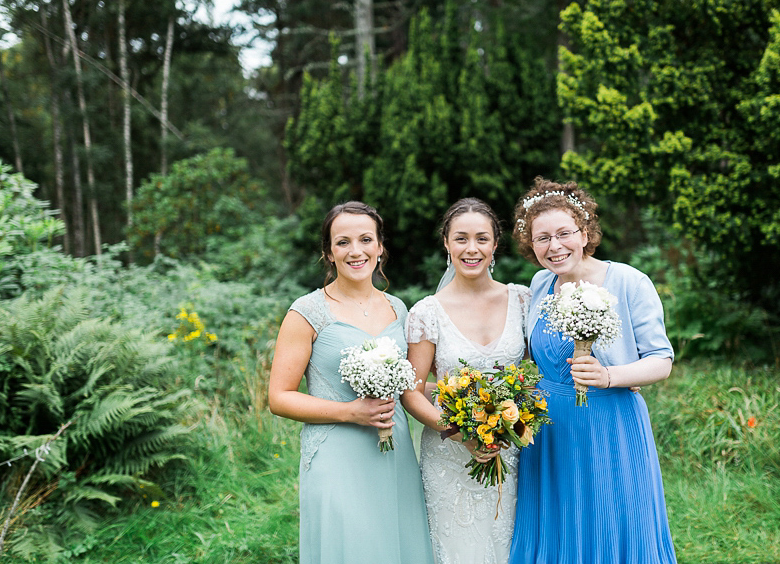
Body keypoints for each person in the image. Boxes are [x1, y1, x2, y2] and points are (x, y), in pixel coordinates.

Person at [508, 178, 677, 564]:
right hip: (548, 431)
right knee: (557, 529)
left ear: (584, 233)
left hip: (609, 425)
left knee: (610, 523)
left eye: (564, 233)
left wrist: (609, 377)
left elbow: (661, 360)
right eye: (542, 238)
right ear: (530, 244)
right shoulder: (539, 284)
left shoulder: (628, 281)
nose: (554, 246)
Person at [268, 201, 434, 564]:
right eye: (343, 242)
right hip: (336, 454)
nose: (355, 251)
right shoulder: (307, 312)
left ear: (379, 247)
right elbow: (279, 397)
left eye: (365, 240)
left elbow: (411, 387)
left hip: (395, 451)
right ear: (329, 252)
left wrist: (467, 401)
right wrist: (349, 412)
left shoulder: (398, 308)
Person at [402, 198, 532, 564]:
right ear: (446, 243)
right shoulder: (427, 312)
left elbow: (547, 365)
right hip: (449, 453)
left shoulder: (522, 300)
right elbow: (411, 394)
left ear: (495, 245)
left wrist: (614, 371)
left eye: (481, 239)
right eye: (461, 238)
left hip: (511, 449)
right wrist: (461, 433)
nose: (471, 249)